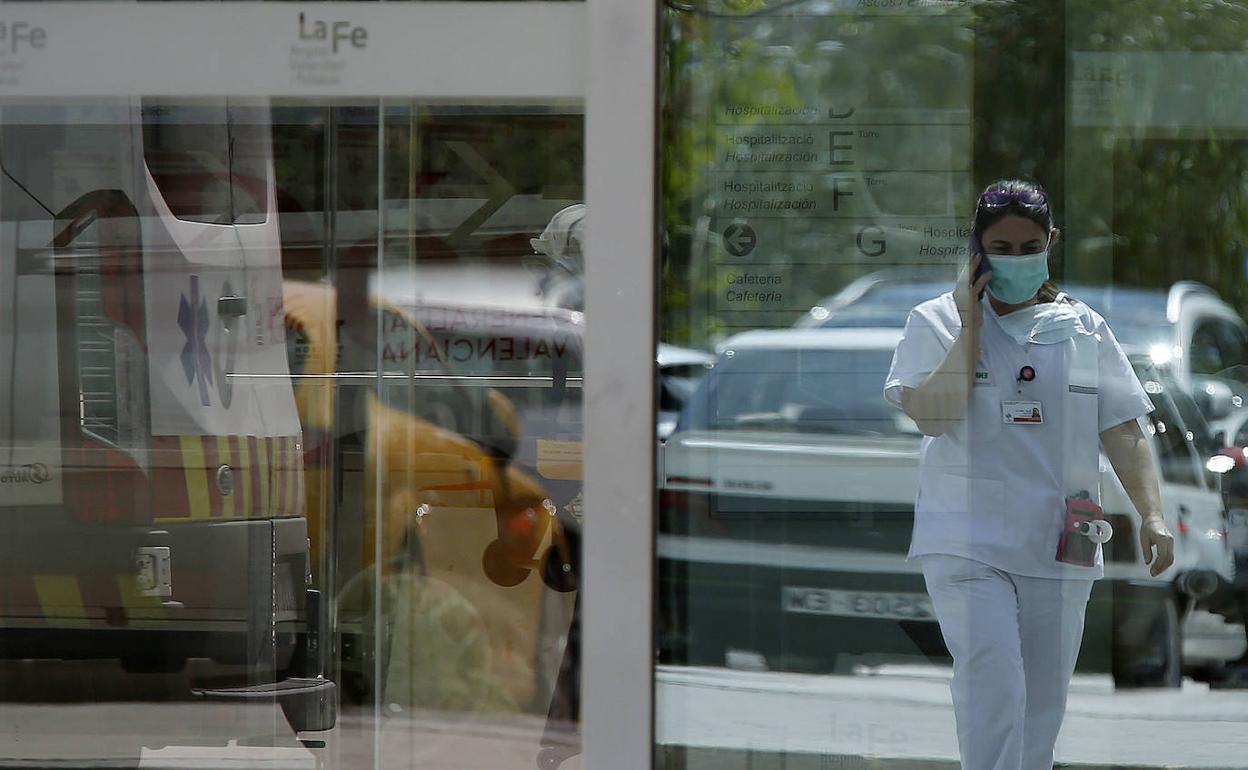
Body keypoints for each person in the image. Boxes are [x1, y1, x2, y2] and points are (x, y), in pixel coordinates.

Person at [883, 179, 1176, 770]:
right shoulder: (935, 320)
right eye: (1001, 246)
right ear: (976, 249)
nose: (1015, 258)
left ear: (1051, 243)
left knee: (1041, 711)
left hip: (1057, 542)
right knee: (995, 685)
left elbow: (1122, 427)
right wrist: (971, 328)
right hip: (965, 542)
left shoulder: (1083, 327)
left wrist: (1151, 514)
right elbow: (934, 417)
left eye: (1029, 245)